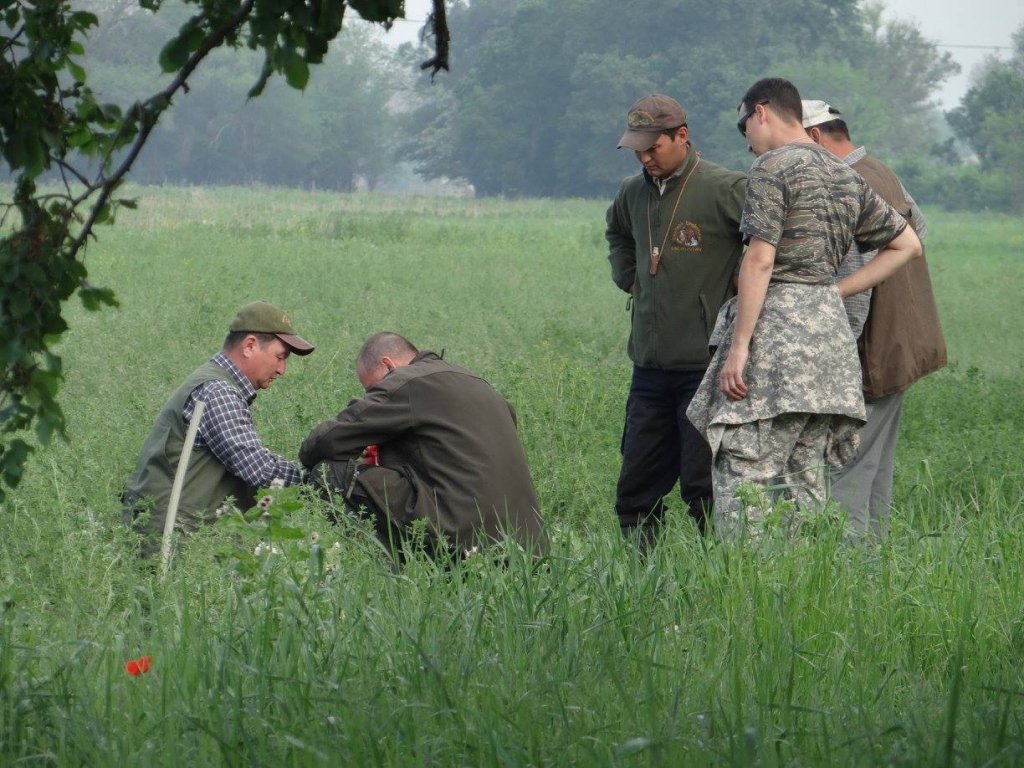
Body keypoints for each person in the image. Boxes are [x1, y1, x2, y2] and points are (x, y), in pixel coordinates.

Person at [685, 78, 923, 539]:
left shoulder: (771, 167)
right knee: (805, 478)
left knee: (744, 471)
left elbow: (760, 259)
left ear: (761, 111)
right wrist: (834, 291)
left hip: (777, 341)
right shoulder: (844, 174)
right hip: (830, 349)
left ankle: (747, 577)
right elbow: (908, 244)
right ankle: (805, 574)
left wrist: (739, 347)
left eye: (743, 126)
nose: (747, 141)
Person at [605, 93, 746, 547]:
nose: (645, 158)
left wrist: (744, 279)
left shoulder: (725, 188)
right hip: (648, 366)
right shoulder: (632, 192)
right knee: (636, 483)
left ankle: (718, 571)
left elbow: (769, 241)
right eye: (637, 150)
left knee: (703, 484)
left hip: (705, 366)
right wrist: (628, 277)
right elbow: (617, 234)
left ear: (681, 136)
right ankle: (640, 572)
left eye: (653, 148)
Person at [802, 100, 946, 537]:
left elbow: (853, 293)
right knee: (875, 472)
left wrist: (832, 359)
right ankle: (876, 567)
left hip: (870, 355)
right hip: (902, 348)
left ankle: (848, 571)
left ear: (814, 137)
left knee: (845, 474)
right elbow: (918, 232)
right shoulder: (880, 170)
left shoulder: (843, 182)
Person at [300, 332, 547, 561]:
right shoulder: (478, 383)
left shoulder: (407, 381)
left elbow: (327, 440)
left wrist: (326, 461)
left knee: (328, 473)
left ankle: (380, 567)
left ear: (388, 366)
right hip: (528, 548)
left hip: (462, 538)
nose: (372, 395)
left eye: (372, 390)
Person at [122, 301, 314, 555]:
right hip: (174, 543)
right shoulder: (219, 390)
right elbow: (256, 467)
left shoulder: (214, 380)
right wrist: (315, 482)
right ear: (249, 346)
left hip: (172, 534)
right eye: (279, 357)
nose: (282, 370)